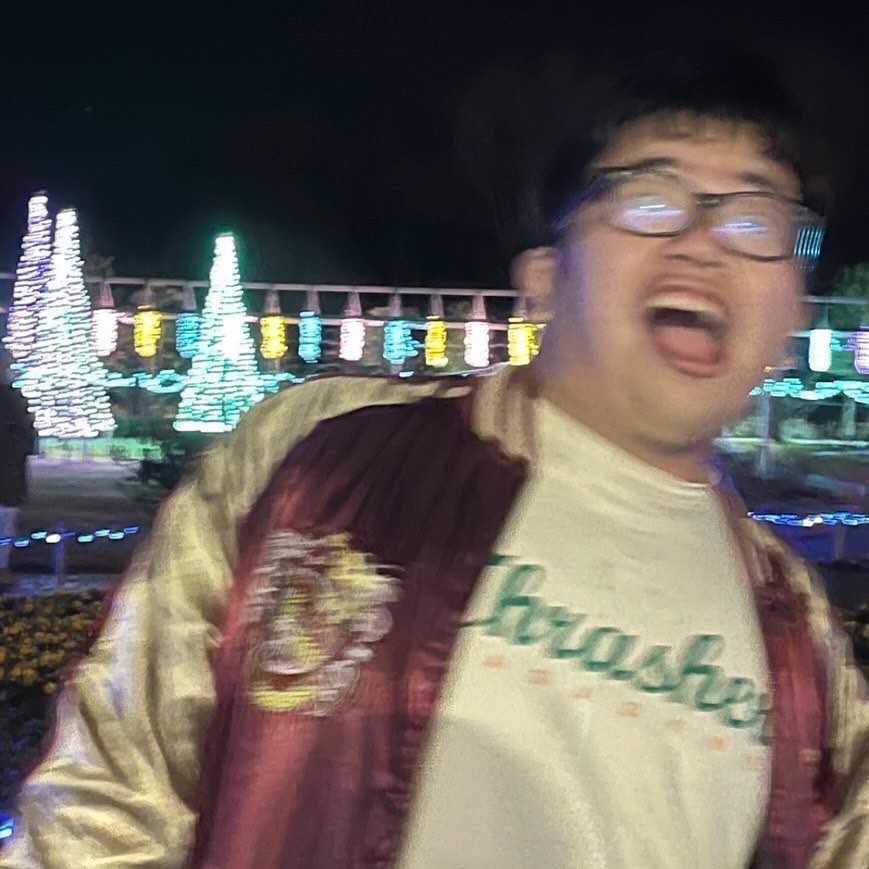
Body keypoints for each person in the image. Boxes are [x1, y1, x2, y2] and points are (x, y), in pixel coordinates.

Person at [2, 49, 867, 869]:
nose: (704, 242)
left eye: (755, 219)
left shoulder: (795, 628)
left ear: (791, 310)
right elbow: (105, 808)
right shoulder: (324, 461)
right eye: (650, 199)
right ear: (542, 276)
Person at [0, 350, 35, 586]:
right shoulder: (12, 399)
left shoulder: (13, 398)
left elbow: (26, 435)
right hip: (9, 473)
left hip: (9, 473)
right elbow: (26, 435)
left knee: (6, 521)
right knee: (6, 522)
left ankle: (2, 567)